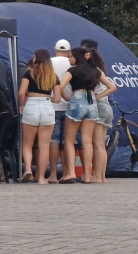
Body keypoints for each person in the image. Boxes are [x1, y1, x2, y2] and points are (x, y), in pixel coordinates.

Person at [58, 47, 115, 184]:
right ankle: (88, 175)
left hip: (77, 100)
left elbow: (60, 86)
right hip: (92, 103)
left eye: (71, 57)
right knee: (87, 141)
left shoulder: (72, 71)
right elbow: (112, 87)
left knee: (69, 140)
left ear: (77, 58)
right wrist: (98, 96)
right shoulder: (95, 70)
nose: (69, 59)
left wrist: (66, 97)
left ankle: (71, 173)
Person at [18, 49, 62, 184]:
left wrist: (21, 105)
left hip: (31, 105)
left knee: (27, 144)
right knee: (44, 146)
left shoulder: (28, 73)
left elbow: (21, 93)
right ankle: (42, 177)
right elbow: (58, 98)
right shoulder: (53, 76)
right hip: (47, 107)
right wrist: (48, 99)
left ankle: (28, 169)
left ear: (36, 59)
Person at [81, 39, 117, 184]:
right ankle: (101, 176)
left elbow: (112, 87)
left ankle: (96, 175)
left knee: (96, 143)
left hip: (99, 106)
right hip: (107, 108)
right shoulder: (101, 70)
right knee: (101, 144)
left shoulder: (93, 71)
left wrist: (97, 97)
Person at [48, 39, 72, 183]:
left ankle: (53, 174)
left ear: (55, 49)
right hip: (69, 105)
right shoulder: (72, 63)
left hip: (53, 105)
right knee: (68, 142)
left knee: (54, 141)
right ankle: (68, 172)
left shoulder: (49, 62)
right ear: (69, 51)